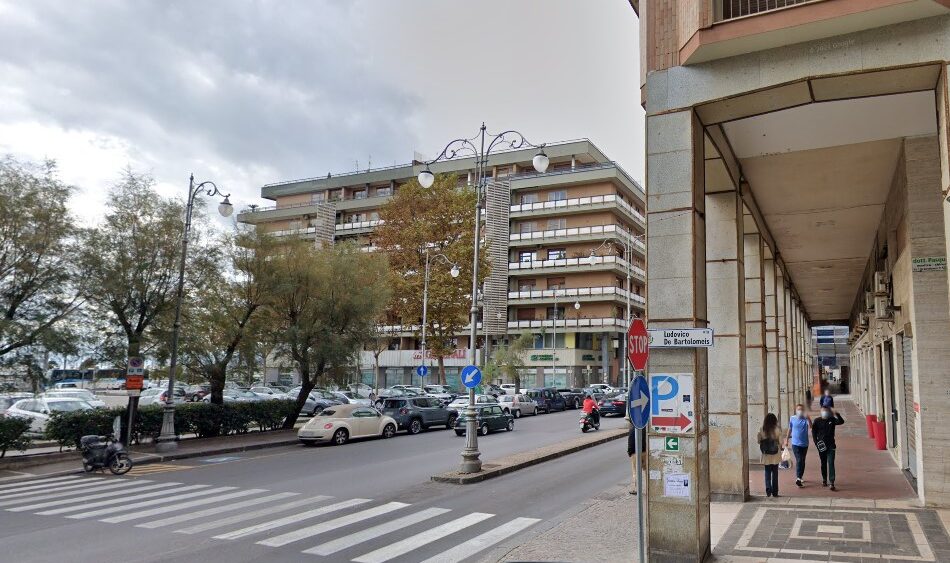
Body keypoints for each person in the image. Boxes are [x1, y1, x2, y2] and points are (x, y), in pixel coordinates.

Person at [812, 406, 845, 490]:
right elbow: (814, 432)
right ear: (820, 411)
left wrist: (837, 414)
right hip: (821, 446)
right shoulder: (817, 421)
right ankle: (824, 479)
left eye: (826, 411)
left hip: (831, 445)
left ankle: (832, 482)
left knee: (831, 462)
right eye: (823, 411)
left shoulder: (832, 419)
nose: (825, 412)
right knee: (823, 463)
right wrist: (816, 442)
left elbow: (841, 421)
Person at [757, 413, 783, 497]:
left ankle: (768, 489)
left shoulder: (762, 429)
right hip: (775, 455)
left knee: (767, 472)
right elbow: (781, 442)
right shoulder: (777, 429)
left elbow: (758, 441)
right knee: (775, 473)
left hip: (766, 455)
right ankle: (775, 492)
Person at [785, 404, 811, 487]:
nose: (800, 411)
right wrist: (786, 439)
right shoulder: (792, 418)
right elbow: (790, 429)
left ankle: (800, 476)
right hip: (795, 444)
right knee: (799, 459)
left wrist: (808, 418)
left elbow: (811, 426)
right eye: (798, 409)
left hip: (804, 444)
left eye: (801, 409)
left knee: (802, 460)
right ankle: (798, 478)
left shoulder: (805, 419)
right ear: (796, 410)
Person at [627, 424, 647, 495]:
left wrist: (630, 452)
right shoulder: (646, 427)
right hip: (645, 452)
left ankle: (635, 489)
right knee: (647, 471)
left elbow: (630, 442)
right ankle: (649, 488)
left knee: (636, 472)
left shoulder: (633, 429)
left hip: (635, 453)